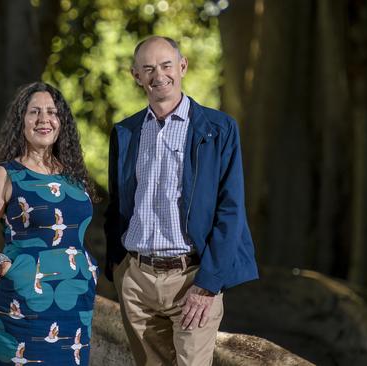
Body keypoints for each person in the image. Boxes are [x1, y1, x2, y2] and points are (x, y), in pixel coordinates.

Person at [104, 36, 259, 365]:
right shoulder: (125, 132)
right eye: (148, 68)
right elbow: (117, 204)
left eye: (166, 65)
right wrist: (120, 269)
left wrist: (208, 284)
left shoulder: (218, 129)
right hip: (136, 279)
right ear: (136, 75)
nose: (158, 74)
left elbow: (230, 210)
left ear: (183, 67)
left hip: (192, 278)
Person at [0, 82, 99, 365]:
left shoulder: (74, 178)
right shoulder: (6, 175)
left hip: (74, 305)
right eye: (34, 112)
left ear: (61, 122)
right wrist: (7, 270)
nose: (43, 119)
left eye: (52, 112)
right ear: (21, 121)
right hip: (22, 304)